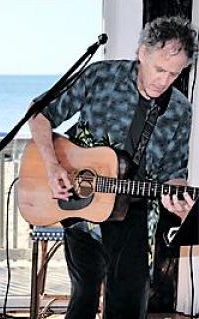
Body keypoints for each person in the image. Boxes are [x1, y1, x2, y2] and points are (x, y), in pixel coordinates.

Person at [28, 16, 197, 319]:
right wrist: (53, 167)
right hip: (80, 202)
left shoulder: (181, 110)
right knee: (84, 294)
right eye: (159, 69)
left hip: (134, 210)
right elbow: (40, 113)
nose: (164, 80)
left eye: (175, 73)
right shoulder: (101, 78)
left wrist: (180, 201)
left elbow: (175, 173)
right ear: (141, 53)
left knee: (129, 302)